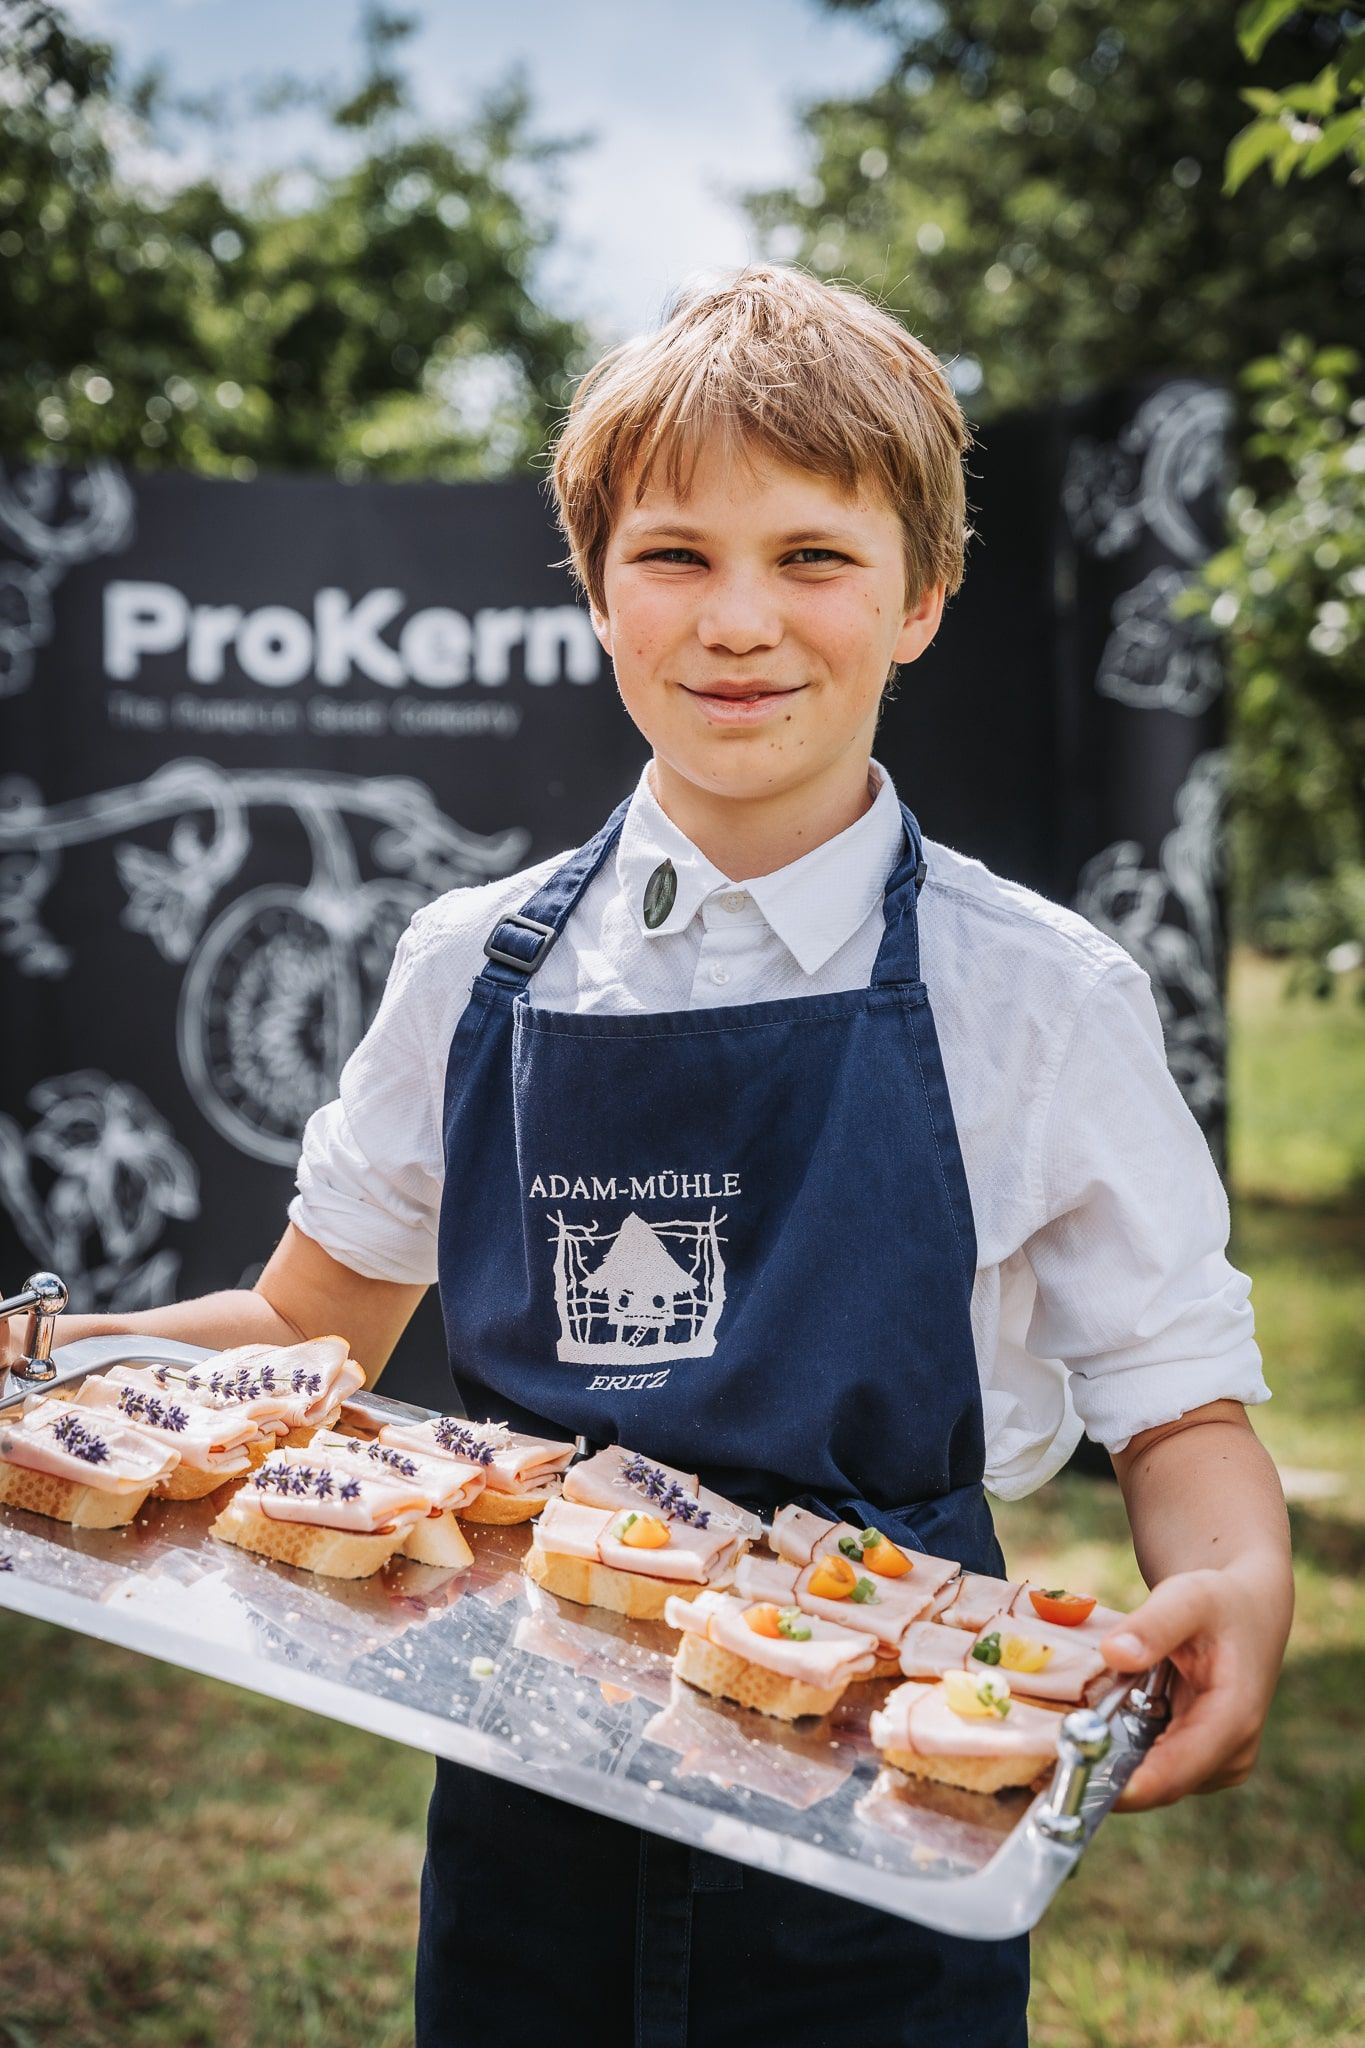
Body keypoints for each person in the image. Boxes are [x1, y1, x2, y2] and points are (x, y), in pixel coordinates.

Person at [21, 265, 1293, 2046]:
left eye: (813, 559)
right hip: (522, 1782)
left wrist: (1232, 1581)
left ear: (921, 595)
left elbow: (1175, 1407)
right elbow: (305, 1333)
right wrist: (42, 1364)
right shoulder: (468, 968)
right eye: (676, 557)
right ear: (596, 591)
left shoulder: (1039, 998)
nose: (737, 621)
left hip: (892, 1802)